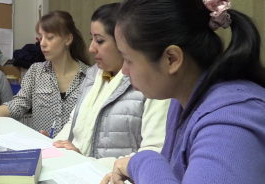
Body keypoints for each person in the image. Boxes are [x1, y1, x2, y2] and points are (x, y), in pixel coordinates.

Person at [101, 0, 265, 183]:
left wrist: (142, 161)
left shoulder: (232, 121)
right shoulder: (182, 98)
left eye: (127, 59)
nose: (124, 70)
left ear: (171, 59)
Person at [41, 3, 170, 170]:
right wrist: (55, 146)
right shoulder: (93, 74)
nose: (91, 48)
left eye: (100, 41)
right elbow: (74, 123)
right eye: (91, 39)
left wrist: (85, 162)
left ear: (123, 43)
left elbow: (153, 153)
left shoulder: (152, 82)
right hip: (76, 171)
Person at [0, 11, 90, 137]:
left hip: (76, 153)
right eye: (40, 38)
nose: (42, 44)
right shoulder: (36, 72)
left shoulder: (90, 76)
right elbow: (16, 106)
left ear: (68, 39)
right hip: (44, 150)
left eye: (49, 37)